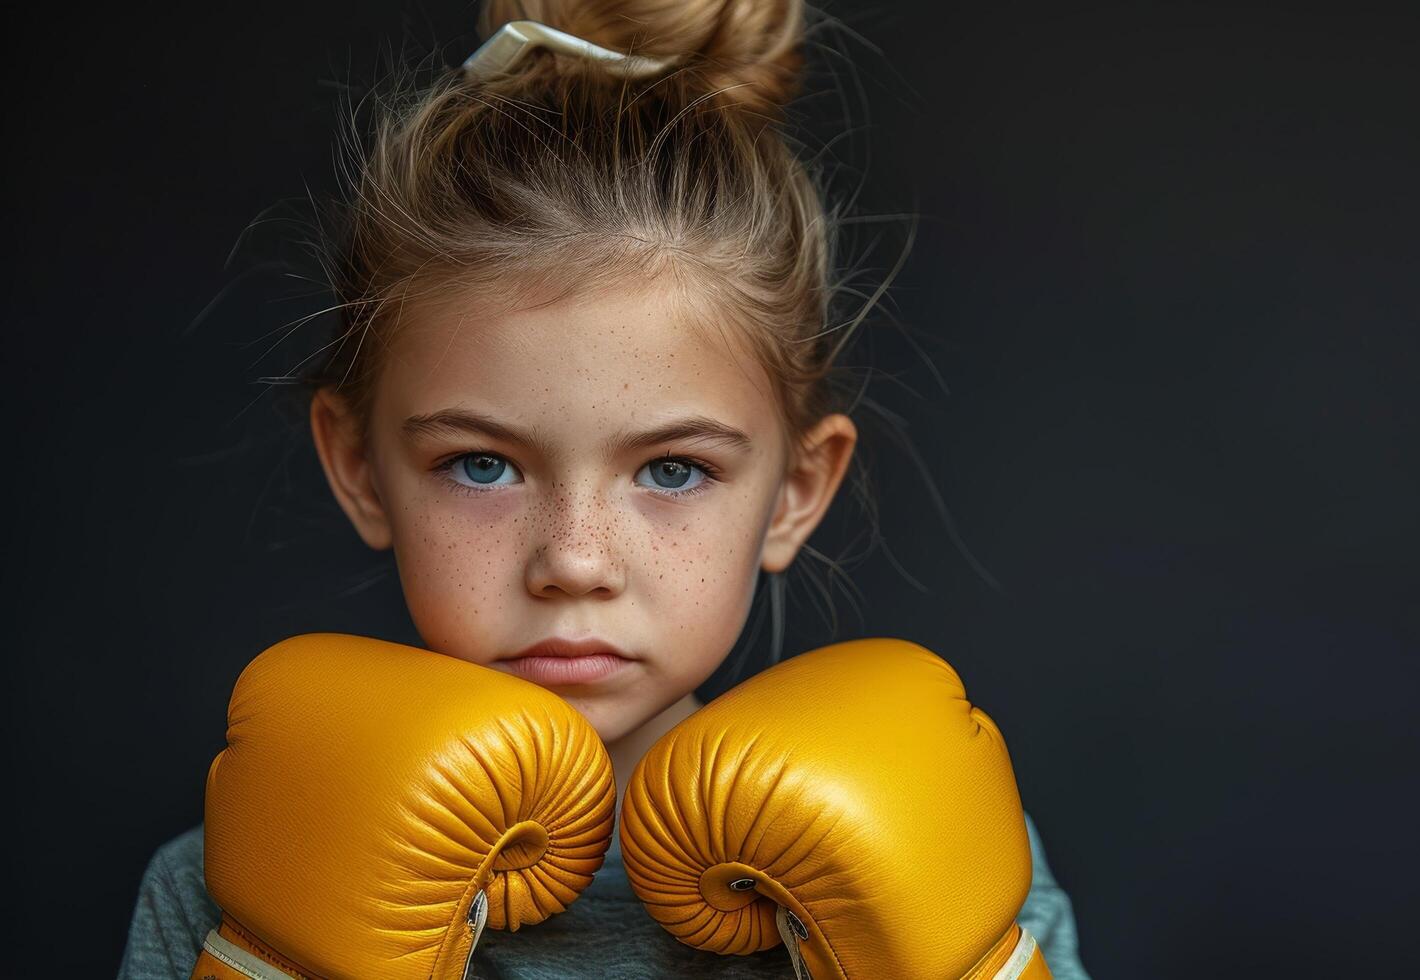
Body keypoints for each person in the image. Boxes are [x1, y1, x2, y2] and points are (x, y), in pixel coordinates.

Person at [119, 1, 1090, 977]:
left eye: (674, 470)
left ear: (796, 489)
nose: (574, 561)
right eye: (480, 463)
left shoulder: (947, 858)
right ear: (360, 468)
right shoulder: (235, 882)